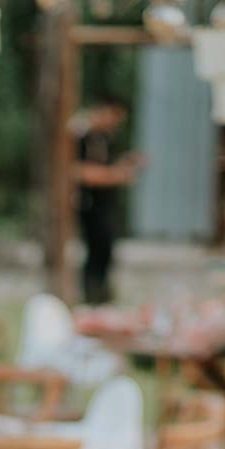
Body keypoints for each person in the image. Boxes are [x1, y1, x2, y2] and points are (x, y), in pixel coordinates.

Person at [71, 98, 143, 306]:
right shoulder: (82, 136)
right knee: (96, 249)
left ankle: (100, 294)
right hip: (89, 203)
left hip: (105, 204)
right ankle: (91, 295)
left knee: (105, 250)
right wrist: (116, 175)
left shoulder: (104, 138)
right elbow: (80, 171)